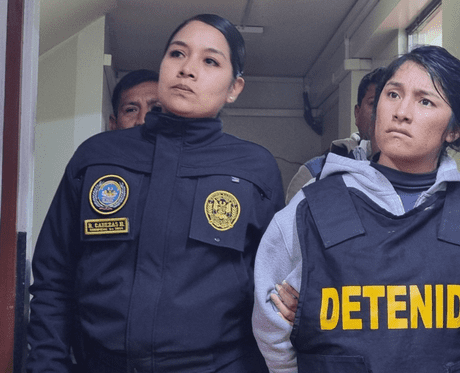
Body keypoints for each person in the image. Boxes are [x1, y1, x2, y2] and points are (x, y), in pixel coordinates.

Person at [27, 14, 283, 373]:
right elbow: (54, 277)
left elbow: (273, 292)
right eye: (177, 54)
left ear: (234, 88)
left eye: (210, 61)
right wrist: (46, 365)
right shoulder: (98, 156)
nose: (187, 69)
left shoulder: (254, 169)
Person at [252, 45, 460, 373]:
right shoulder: (311, 210)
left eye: (425, 101)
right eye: (393, 95)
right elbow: (271, 325)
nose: (402, 112)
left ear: (454, 129)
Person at [284, 67, 386, 203]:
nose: (380, 112)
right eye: (373, 103)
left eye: (388, 104)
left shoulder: (416, 172)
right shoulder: (314, 172)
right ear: (357, 113)